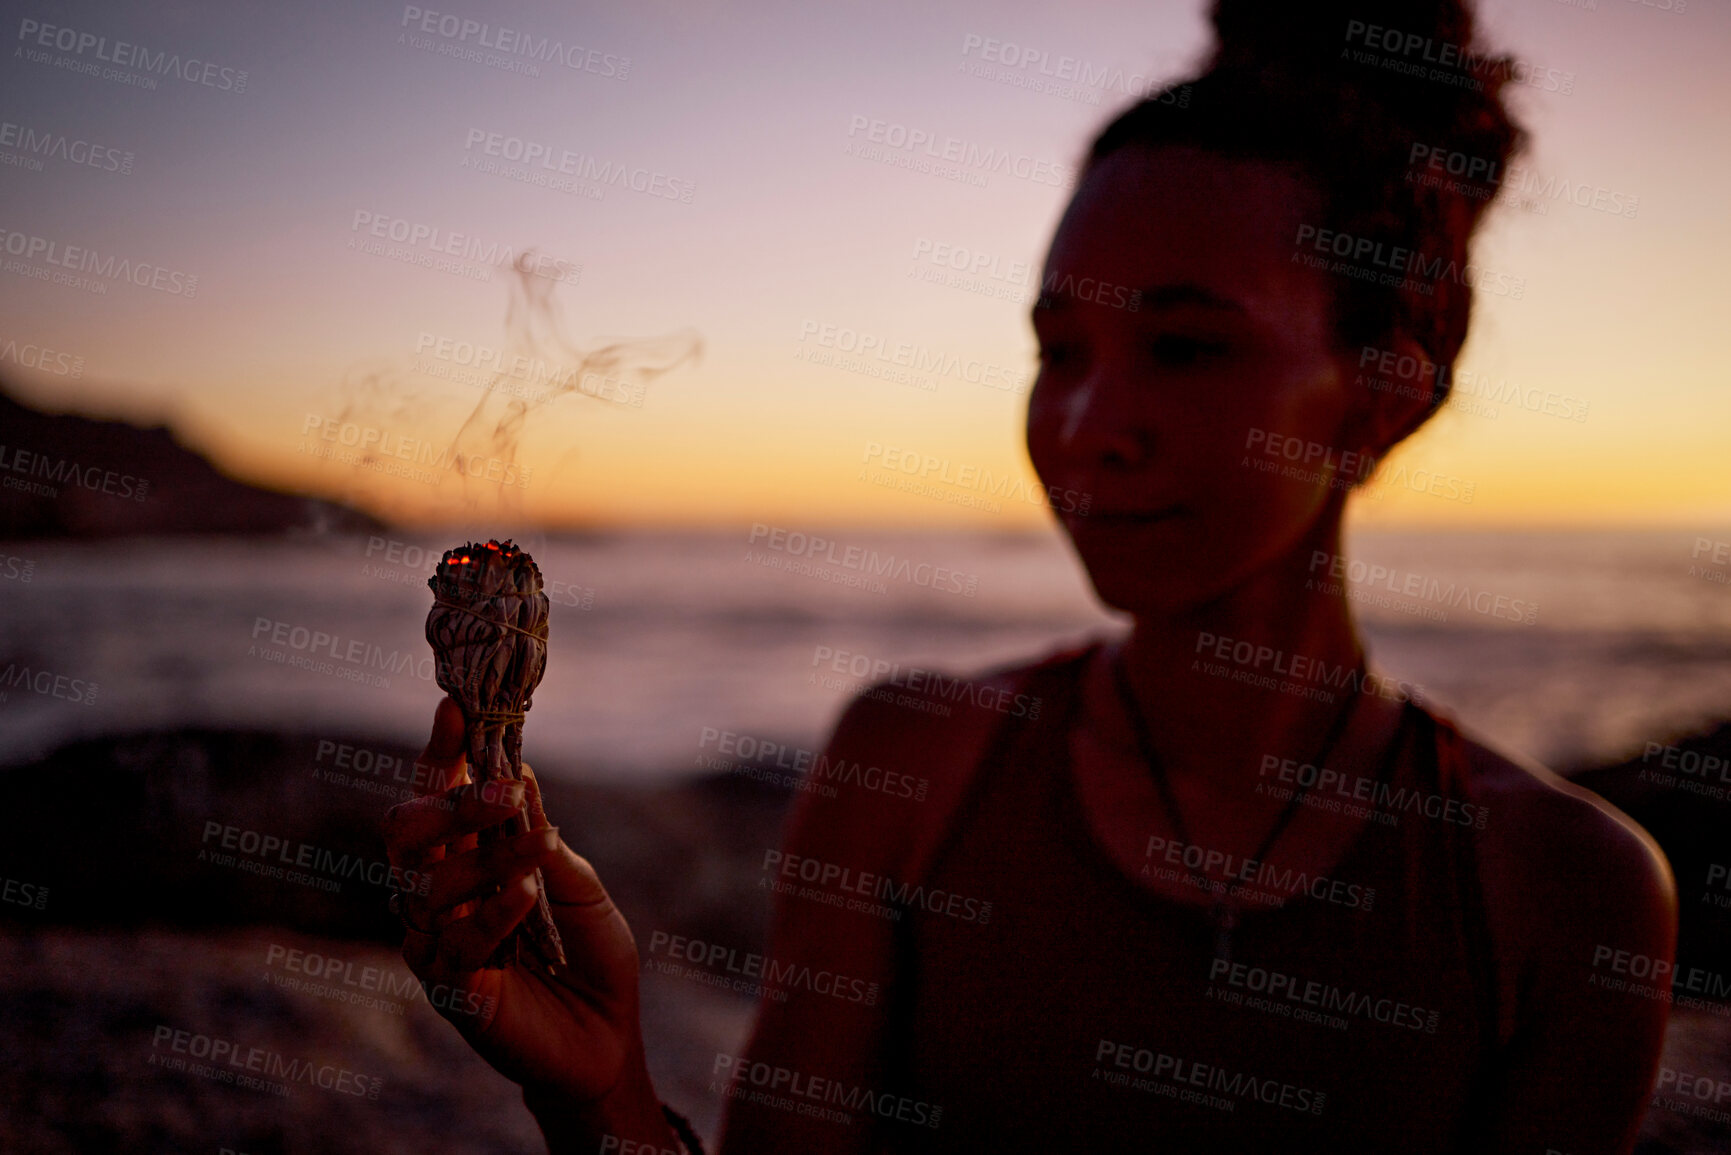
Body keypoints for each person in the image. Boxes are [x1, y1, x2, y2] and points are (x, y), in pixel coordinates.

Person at [382, 1, 1676, 1150]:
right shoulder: (908, 772)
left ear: (1384, 394)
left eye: (1183, 346)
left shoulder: (1562, 895)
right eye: (1060, 350)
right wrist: (599, 1095)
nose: (1085, 423)